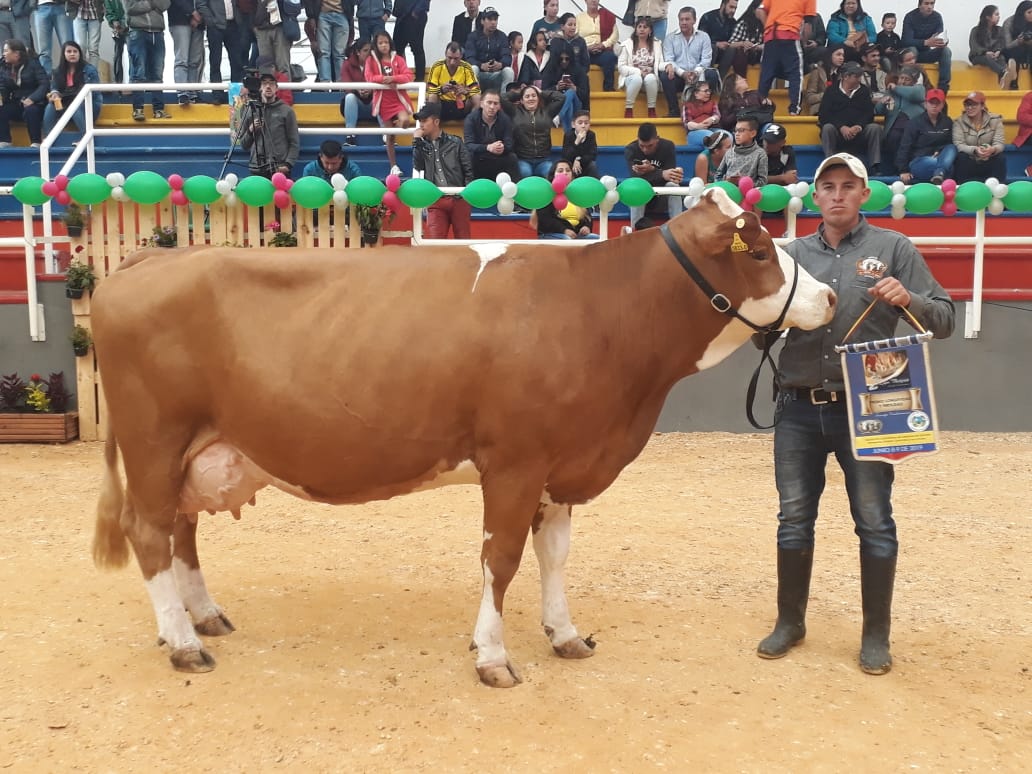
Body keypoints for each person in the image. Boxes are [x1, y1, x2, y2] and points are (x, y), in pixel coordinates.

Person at [758, 151, 955, 676]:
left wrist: (907, 296)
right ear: (815, 196)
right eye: (829, 186)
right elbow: (758, 328)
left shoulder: (895, 248)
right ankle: (790, 622)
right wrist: (765, 317)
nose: (839, 194)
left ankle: (875, 636)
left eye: (849, 186)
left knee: (874, 522)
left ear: (864, 194)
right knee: (793, 521)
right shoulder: (791, 253)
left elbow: (944, 319)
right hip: (797, 406)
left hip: (869, 410)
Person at [411, 102, 474, 240]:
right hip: (436, 199)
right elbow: (418, 166)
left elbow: (468, 169)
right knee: (435, 243)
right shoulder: (422, 145)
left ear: (436, 122)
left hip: (459, 198)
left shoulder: (456, 142)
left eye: (424, 121)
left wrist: (465, 196)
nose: (421, 125)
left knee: (463, 241)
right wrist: (417, 142)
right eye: (420, 121)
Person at [818, 60, 882, 173]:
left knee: (874, 128)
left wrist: (859, 126)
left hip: (859, 132)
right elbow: (824, 115)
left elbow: (869, 113)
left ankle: (875, 166)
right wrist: (841, 127)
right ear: (846, 77)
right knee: (827, 128)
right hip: (838, 133)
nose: (859, 79)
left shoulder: (864, 91)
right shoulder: (831, 91)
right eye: (856, 76)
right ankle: (829, 163)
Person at [365, 29, 413, 177]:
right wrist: (382, 79)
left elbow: (408, 76)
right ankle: (393, 166)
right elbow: (369, 77)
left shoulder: (398, 59)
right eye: (380, 43)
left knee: (405, 122)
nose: (384, 45)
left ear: (390, 43)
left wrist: (393, 78)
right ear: (376, 45)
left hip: (398, 100)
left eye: (386, 42)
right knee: (390, 137)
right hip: (383, 101)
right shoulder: (371, 60)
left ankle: (396, 124)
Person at [239, 65, 299, 177]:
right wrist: (251, 130)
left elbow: (294, 141)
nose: (268, 86)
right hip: (256, 168)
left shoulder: (286, 111)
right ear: (259, 87)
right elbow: (243, 145)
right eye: (264, 83)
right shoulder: (249, 109)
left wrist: (288, 164)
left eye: (271, 83)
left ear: (276, 88)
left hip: (279, 169)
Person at [755, 0, 813, 117]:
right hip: (790, 35)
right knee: (795, 74)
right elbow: (808, 23)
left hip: (771, 37)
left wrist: (769, 27)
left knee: (766, 74)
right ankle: (793, 110)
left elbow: (759, 11)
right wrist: (804, 42)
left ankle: (758, 107)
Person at [623, 121, 683, 230]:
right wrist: (660, 173)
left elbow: (671, 177)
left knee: (673, 186)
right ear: (637, 140)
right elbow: (636, 179)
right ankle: (635, 233)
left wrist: (652, 171)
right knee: (637, 188)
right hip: (642, 198)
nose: (645, 150)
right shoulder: (631, 150)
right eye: (642, 146)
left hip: (661, 198)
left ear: (657, 139)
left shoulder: (668, 146)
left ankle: (677, 228)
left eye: (650, 146)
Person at [660, 6, 718, 118]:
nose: (684, 22)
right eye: (681, 19)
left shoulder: (704, 37)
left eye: (687, 19)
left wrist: (695, 72)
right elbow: (669, 60)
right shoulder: (670, 38)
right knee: (665, 75)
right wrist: (683, 73)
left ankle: (705, 109)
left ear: (694, 20)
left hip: (698, 77)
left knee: (712, 74)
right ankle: (674, 111)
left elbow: (706, 59)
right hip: (679, 77)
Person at [43, 40, 104, 141]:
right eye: (69, 51)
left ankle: (87, 139)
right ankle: (48, 139)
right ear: (64, 54)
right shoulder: (58, 71)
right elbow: (54, 87)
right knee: (50, 106)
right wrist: (55, 94)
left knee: (75, 106)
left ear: (80, 54)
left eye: (75, 51)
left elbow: (94, 92)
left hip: (88, 105)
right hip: (67, 104)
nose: (72, 54)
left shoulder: (89, 70)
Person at [126, 0, 173, 121]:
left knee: (157, 73)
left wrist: (146, 4)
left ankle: (159, 110)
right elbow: (130, 8)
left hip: (158, 32)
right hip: (138, 32)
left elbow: (165, 4)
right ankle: (138, 110)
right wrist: (152, 4)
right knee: (139, 72)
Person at [896, 87, 954, 184]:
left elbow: (949, 144)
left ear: (942, 105)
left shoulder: (948, 122)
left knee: (952, 148)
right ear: (925, 104)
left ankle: (939, 173)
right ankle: (940, 172)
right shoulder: (914, 123)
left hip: (940, 157)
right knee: (947, 166)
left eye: (937, 103)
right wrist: (903, 170)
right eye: (931, 103)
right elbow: (905, 147)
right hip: (919, 160)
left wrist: (938, 151)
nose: (934, 106)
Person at [502, 83, 561, 179]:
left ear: (538, 98)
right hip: (523, 159)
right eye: (527, 96)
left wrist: (541, 92)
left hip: (544, 159)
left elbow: (560, 97)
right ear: (521, 100)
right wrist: (522, 92)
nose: (531, 98)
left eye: (534, 96)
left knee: (552, 173)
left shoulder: (547, 112)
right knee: (525, 173)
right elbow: (502, 97)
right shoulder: (514, 112)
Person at [463, 88, 520, 182]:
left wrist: (502, 148)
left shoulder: (505, 119)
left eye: (495, 103)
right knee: (469, 157)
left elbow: (509, 144)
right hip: (480, 157)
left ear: (499, 106)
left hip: (498, 157)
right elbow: (469, 145)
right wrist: (488, 147)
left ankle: (513, 191)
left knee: (512, 158)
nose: (492, 107)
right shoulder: (471, 119)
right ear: (481, 104)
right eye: (489, 102)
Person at [0, 38, 47, 148]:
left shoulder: (33, 63)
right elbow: (3, 86)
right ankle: (5, 141)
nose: (3, 54)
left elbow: (44, 84)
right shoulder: (3, 66)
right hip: (17, 102)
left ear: (16, 54)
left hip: (36, 103)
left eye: (6, 51)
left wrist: (32, 98)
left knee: (31, 110)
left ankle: (36, 142)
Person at [533, 160, 597, 239]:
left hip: (575, 234)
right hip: (551, 233)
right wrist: (564, 230)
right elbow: (545, 219)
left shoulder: (577, 193)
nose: (565, 173)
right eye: (560, 171)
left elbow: (588, 218)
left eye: (568, 170)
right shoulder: (546, 193)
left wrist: (586, 227)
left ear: (572, 175)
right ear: (553, 175)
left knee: (595, 238)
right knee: (567, 240)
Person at [952, 90, 1007, 183]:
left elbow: (1000, 143)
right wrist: (975, 150)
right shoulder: (958, 122)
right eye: (967, 105)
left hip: (988, 158)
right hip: (970, 160)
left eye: (974, 105)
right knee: (961, 156)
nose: (969, 108)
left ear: (982, 106)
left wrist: (992, 149)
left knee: (1000, 157)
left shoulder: (995, 120)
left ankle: (998, 186)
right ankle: (963, 187)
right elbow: (958, 144)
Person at [196, 0, 244, 104]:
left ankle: (235, 96)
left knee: (237, 62)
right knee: (215, 61)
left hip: (233, 25)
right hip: (215, 27)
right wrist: (211, 20)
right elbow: (201, 4)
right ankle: (217, 95)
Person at [618, 15, 664, 118]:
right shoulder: (627, 44)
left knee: (651, 78)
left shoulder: (656, 44)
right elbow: (621, 67)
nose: (642, 29)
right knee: (637, 79)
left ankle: (651, 109)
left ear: (650, 30)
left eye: (645, 27)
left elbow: (660, 63)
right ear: (635, 29)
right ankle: (628, 109)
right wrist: (638, 72)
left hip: (650, 76)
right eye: (639, 27)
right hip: (632, 77)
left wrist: (668, 66)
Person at [901, 0, 951, 94]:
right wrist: (926, 42)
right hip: (912, 54)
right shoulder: (910, 17)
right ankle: (909, 82)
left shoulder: (937, 17)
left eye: (932, 4)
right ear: (919, 5)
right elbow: (906, 41)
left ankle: (943, 88)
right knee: (912, 50)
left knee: (946, 51)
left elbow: (939, 36)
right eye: (926, 3)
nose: (930, 6)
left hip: (926, 54)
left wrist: (943, 42)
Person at [425, 41, 481, 121]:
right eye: (449, 58)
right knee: (432, 96)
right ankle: (432, 127)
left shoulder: (467, 67)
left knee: (477, 98)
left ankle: (471, 125)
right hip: (442, 103)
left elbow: (476, 90)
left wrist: (466, 91)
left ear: (461, 56)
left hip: (462, 104)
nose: (452, 62)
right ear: (445, 54)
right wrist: (441, 89)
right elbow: (429, 89)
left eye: (456, 59)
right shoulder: (437, 66)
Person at [463, 6, 513, 93]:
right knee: (473, 68)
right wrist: (481, 65)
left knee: (509, 71)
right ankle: (475, 98)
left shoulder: (502, 36)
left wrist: (500, 64)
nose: (493, 22)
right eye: (489, 19)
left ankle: (504, 101)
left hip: (496, 74)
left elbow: (507, 57)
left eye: (495, 19)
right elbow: (469, 58)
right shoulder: (473, 36)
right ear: (482, 21)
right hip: (480, 73)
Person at [549, 12, 592, 111]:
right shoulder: (555, 41)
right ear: (562, 26)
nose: (573, 28)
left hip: (577, 77)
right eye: (570, 25)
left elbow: (586, 64)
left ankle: (584, 113)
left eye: (574, 25)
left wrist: (578, 75)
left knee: (584, 80)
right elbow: (553, 62)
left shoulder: (580, 41)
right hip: (558, 77)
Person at [970, 5, 1017, 90]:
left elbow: (1002, 44)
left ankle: (1003, 82)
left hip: (994, 56)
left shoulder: (999, 30)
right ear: (988, 17)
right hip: (978, 56)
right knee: (986, 58)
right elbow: (974, 47)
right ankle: (1003, 73)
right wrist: (985, 52)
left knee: (1002, 58)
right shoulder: (975, 30)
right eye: (996, 14)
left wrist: (998, 51)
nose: (999, 17)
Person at [577, 0, 619, 92]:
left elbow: (615, 35)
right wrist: (586, 48)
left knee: (610, 57)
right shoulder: (579, 18)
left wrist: (603, 45)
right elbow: (575, 37)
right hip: (585, 52)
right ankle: (580, 88)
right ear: (585, 1)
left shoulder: (606, 16)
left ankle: (608, 88)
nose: (593, 1)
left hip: (601, 51)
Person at [541, 45, 585, 132]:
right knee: (569, 105)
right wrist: (556, 87)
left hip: (577, 103)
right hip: (557, 104)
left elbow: (585, 94)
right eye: (561, 59)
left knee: (571, 92)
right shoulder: (550, 69)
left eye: (567, 59)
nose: (564, 61)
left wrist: (574, 87)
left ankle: (559, 117)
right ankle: (568, 136)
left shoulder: (578, 70)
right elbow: (543, 92)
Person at [339, 37, 373, 145]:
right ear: (358, 52)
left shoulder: (378, 64)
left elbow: (382, 81)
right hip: (356, 106)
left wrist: (371, 90)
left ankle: (387, 137)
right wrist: (357, 89)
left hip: (374, 106)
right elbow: (346, 85)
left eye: (371, 50)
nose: (369, 53)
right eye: (365, 50)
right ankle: (350, 136)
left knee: (381, 96)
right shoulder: (347, 64)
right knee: (349, 97)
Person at [169, 0, 205, 105]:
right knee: (182, 59)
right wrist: (193, 13)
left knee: (195, 61)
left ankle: (192, 93)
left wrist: (200, 17)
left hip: (199, 24)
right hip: (179, 20)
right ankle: (182, 93)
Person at [715, 114, 767, 185]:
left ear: (753, 133)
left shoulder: (760, 154)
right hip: (729, 190)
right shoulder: (729, 152)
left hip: (748, 193)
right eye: (736, 130)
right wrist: (727, 180)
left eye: (741, 130)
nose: (737, 134)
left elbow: (763, 182)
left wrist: (743, 182)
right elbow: (717, 176)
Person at [699, 0, 739, 78]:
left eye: (735, 8)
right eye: (731, 7)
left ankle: (719, 79)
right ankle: (706, 78)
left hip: (723, 54)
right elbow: (701, 39)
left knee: (732, 49)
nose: (733, 11)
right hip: (708, 52)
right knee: (712, 47)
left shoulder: (733, 22)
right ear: (723, 5)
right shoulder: (707, 17)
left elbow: (733, 40)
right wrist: (716, 43)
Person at [33, 0, 75, 76]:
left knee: (68, 46)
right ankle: (46, 81)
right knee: (44, 50)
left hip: (61, 6)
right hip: (40, 7)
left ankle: (70, 77)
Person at [390, 0, 429, 81]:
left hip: (415, 16)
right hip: (402, 15)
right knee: (396, 48)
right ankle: (400, 75)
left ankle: (419, 79)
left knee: (417, 48)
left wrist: (416, 11)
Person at [801, 44, 843, 116]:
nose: (841, 58)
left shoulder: (844, 73)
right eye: (838, 55)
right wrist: (827, 95)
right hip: (821, 109)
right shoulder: (817, 71)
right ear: (830, 55)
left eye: (843, 55)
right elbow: (809, 98)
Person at [728, 0, 765, 78]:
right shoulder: (743, 23)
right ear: (754, 9)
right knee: (740, 53)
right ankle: (742, 79)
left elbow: (770, 44)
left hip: (759, 54)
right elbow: (731, 44)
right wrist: (743, 43)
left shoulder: (765, 25)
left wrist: (757, 47)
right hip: (744, 54)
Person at [682, 79, 720, 150]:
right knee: (710, 137)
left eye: (709, 91)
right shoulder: (688, 105)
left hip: (712, 129)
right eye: (705, 91)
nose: (708, 93)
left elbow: (717, 116)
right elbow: (686, 123)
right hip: (694, 132)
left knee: (727, 136)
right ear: (696, 93)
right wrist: (698, 126)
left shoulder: (712, 103)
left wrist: (712, 119)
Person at [560, 109, 598, 178]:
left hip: (584, 164)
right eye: (580, 123)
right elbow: (566, 156)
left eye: (586, 123)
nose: (583, 126)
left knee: (592, 165)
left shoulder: (591, 135)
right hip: (571, 164)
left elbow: (592, 155)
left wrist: (578, 160)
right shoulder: (568, 135)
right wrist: (576, 142)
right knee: (564, 167)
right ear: (573, 125)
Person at [1002, 1, 1032, 77]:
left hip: (1028, 51)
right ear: (1022, 13)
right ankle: (1013, 82)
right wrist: (1018, 41)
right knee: (1019, 50)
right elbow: (1007, 45)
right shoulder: (1009, 22)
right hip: (1011, 52)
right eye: (1029, 12)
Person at [73, 0, 105, 65]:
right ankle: (81, 73)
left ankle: (92, 74)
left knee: (93, 49)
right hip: (79, 13)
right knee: (80, 47)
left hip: (95, 14)